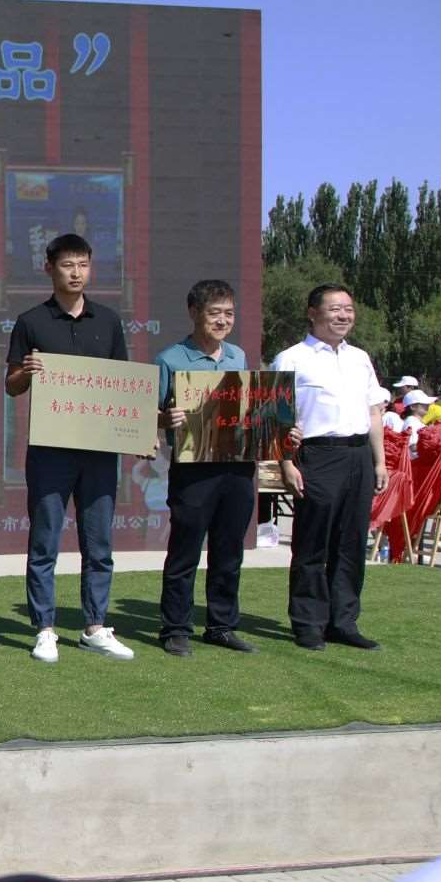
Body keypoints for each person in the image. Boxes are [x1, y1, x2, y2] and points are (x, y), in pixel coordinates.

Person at [4, 234, 136, 663]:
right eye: (67, 265)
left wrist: (139, 432)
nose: (76, 273)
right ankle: (44, 629)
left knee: (99, 544)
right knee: (45, 542)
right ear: (49, 268)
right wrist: (26, 371)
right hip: (50, 450)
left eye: (83, 264)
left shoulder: (108, 321)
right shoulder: (31, 321)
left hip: (99, 449)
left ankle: (95, 626)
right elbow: (11, 386)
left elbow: (123, 386)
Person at [272, 284, 388, 650]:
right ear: (312, 313)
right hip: (317, 455)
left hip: (359, 456)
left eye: (348, 309)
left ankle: (344, 622)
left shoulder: (360, 358)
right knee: (312, 543)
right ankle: (308, 623)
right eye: (335, 308)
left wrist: (380, 461)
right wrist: (286, 464)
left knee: (351, 542)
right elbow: (277, 418)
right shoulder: (291, 358)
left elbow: (373, 412)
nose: (343, 315)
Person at [151, 279, 258, 657]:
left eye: (229, 313)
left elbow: (251, 407)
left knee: (229, 550)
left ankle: (222, 626)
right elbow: (148, 414)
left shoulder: (238, 357)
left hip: (237, 466)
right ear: (194, 313)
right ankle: (175, 628)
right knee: (185, 551)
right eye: (215, 313)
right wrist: (165, 418)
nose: (223, 320)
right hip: (193, 468)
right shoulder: (170, 359)